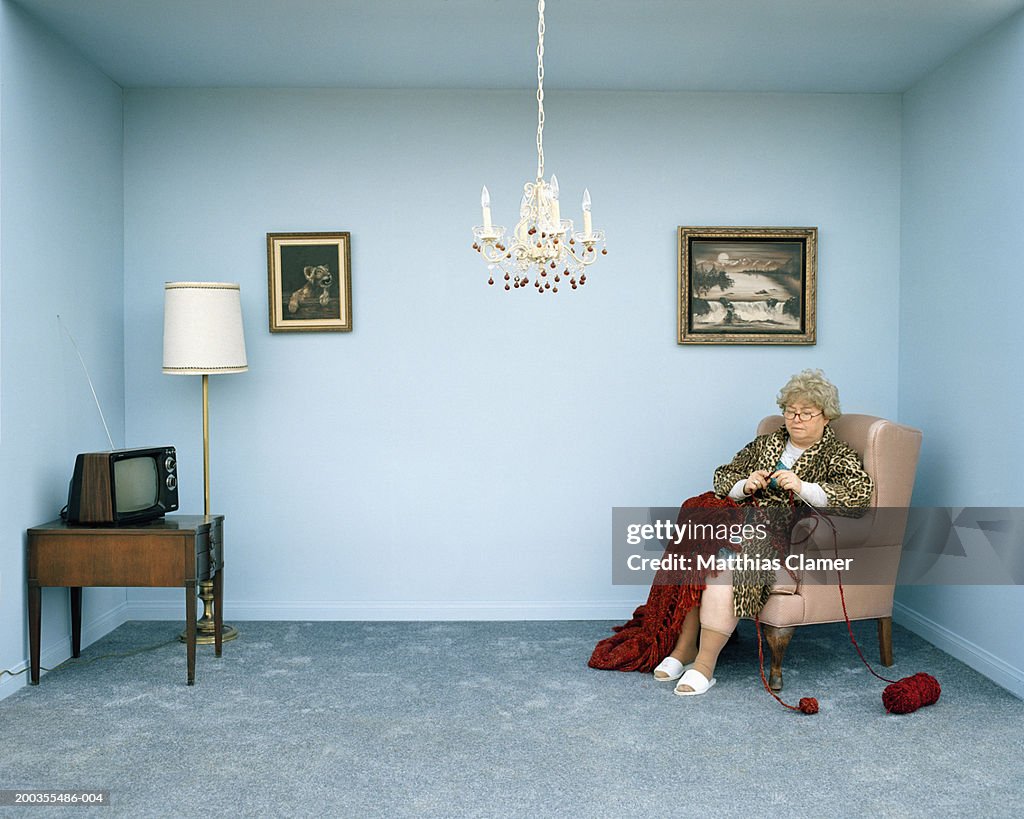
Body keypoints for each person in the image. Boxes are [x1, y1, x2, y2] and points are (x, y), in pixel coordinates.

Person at [589, 369, 873, 695]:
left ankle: (704, 665)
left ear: (826, 416)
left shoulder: (836, 455)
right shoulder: (767, 443)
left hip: (784, 533)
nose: (796, 419)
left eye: (806, 413)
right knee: (698, 548)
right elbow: (723, 476)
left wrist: (804, 487)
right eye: (790, 411)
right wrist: (744, 485)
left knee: (723, 561)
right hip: (743, 519)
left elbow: (858, 495)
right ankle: (684, 649)